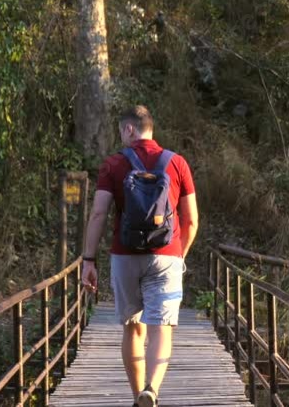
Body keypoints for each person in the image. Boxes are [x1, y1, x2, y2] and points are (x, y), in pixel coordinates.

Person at [81, 105, 199, 407]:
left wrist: (88, 260)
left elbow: (98, 214)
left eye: (121, 131)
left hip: (125, 255)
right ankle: (152, 390)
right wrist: (179, 255)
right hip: (167, 255)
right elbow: (192, 220)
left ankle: (137, 398)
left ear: (129, 129)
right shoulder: (177, 163)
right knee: (161, 328)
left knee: (133, 328)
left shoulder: (113, 164)